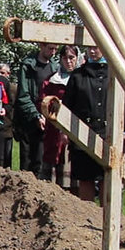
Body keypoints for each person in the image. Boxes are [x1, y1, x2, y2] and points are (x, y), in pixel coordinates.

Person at [64, 46, 125, 202]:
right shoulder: (78, 75)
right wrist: (65, 130)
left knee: (108, 176)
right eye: (89, 47)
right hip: (82, 133)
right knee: (85, 176)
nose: (92, 51)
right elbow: (67, 106)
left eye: (96, 47)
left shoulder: (117, 74)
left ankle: (105, 217)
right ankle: (87, 216)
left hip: (110, 133)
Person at [37, 45, 79, 186]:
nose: (68, 61)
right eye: (65, 58)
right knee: (55, 155)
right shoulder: (52, 81)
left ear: (77, 58)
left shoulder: (82, 79)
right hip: (55, 128)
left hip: (77, 127)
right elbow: (43, 101)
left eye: (71, 58)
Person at [15, 43, 59, 175]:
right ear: (41, 46)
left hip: (49, 121)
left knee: (43, 162)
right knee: (28, 162)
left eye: (56, 49)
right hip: (30, 120)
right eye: (50, 48)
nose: (53, 52)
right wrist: (36, 115)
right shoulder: (28, 66)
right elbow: (23, 95)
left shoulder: (55, 67)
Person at [0, 63, 17, 169]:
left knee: (7, 158)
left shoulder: (13, 89)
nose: (0, 75)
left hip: (8, 128)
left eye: (3, 73)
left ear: (8, 74)